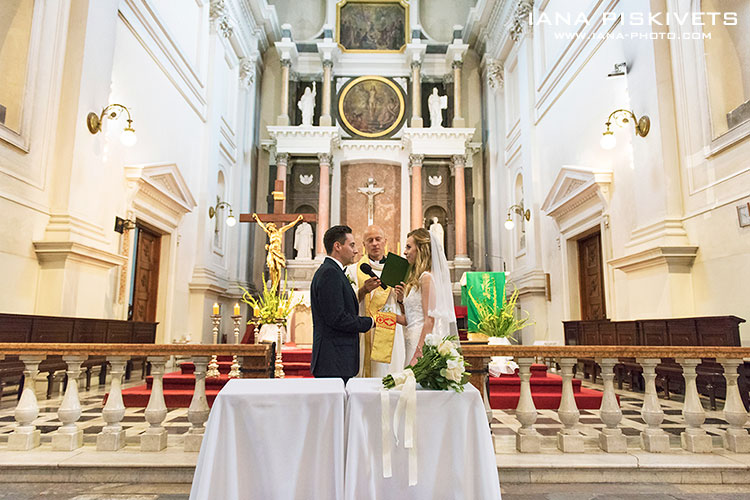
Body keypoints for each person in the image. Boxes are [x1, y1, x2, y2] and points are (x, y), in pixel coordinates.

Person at [310, 225, 375, 382]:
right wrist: (371, 322)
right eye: (351, 245)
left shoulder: (333, 271)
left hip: (336, 359)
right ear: (337, 246)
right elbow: (337, 318)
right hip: (333, 359)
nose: (356, 250)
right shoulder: (330, 273)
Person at [345, 225, 405, 377]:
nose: (374, 243)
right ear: (364, 245)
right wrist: (363, 290)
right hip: (364, 331)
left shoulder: (398, 269)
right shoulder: (353, 271)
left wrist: (401, 299)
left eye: (378, 239)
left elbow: (409, 309)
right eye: (370, 240)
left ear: (385, 241)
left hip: (392, 331)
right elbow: (346, 304)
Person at [394, 228, 458, 366]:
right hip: (411, 337)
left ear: (421, 249)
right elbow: (411, 319)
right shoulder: (417, 278)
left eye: (409, 247)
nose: (405, 252)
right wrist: (389, 317)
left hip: (419, 341)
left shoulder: (427, 278)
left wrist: (419, 351)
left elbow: (429, 320)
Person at [252, 213, 303, 290]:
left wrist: (297, 220)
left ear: (273, 226)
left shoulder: (280, 231)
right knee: (271, 267)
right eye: (268, 228)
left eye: (270, 227)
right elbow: (262, 226)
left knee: (278, 268)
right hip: (271, 251)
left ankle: (276, 284)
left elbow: (289, 225)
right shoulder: (270, 234)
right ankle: (273, 285)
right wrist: (257, 219)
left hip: (278, 252)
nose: (269, 229)